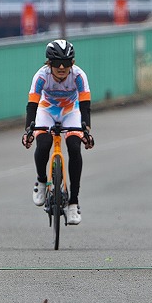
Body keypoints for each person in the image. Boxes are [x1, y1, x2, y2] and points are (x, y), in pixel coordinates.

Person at [21, 39, 94, 226]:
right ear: (48, 64)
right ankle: (41, 181)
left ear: (73, 63)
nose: (61, 67)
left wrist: (86, 129)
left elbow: (85, 105)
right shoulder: (41, 76)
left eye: (66, 63)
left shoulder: (78, 76)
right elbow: (32, 105)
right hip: (47, 110)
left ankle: (73, 202)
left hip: (71, 111)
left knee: (74, 148)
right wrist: (29, 129)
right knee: (43, 144)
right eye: (56, 63)